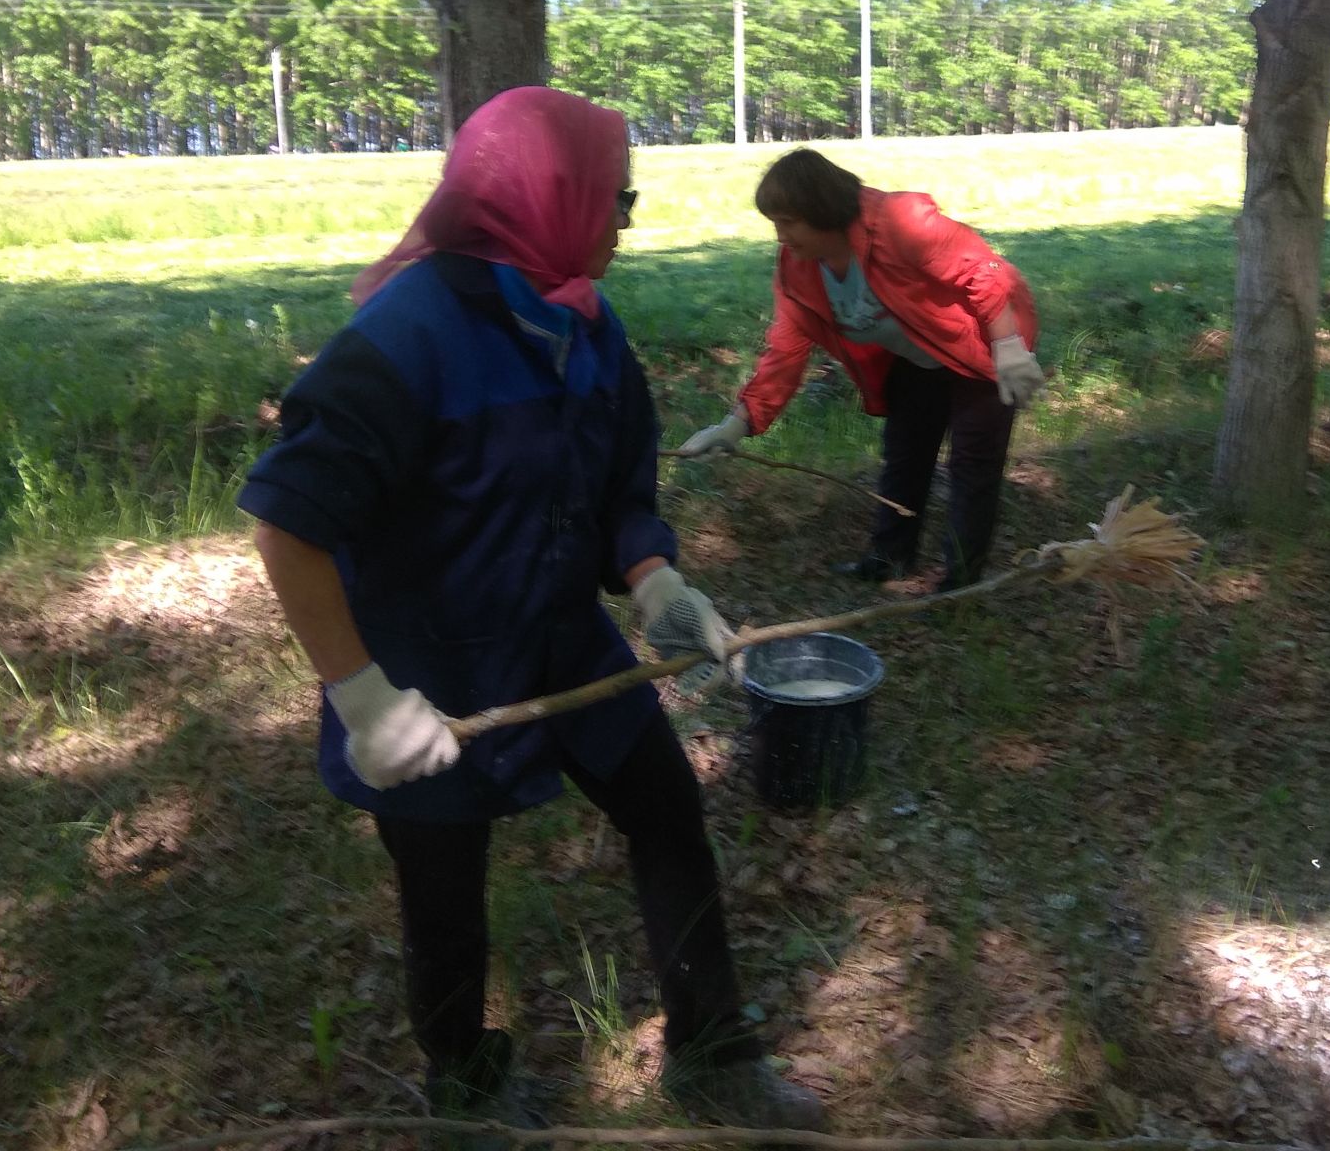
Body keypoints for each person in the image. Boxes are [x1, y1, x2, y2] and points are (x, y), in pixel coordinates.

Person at [239, 88, 823, 1132]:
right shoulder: (403, 341)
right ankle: (464, 1099)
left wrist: (655, 581)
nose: (625, 223)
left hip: (561, 643)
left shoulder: (582, 324)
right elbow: (289, 527)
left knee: (669, 816)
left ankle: (714, 1053)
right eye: (619, 199)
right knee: (446, 898)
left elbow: (616, 488)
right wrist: (367, 699)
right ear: (546, 198)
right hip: (426, 675)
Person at [678, 148, 1043, 591]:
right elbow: (785, 351)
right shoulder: (798, 271)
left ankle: (960, 584)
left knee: (973, 466)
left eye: (788, 222)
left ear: (821, 210)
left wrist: (1008, 346)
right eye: (774, 223)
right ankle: (888, 560)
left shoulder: (898, 223)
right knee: (904, 456)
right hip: (915, 357)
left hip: (981, 346)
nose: (780, 236)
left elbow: (983, 273)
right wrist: (734, 425)